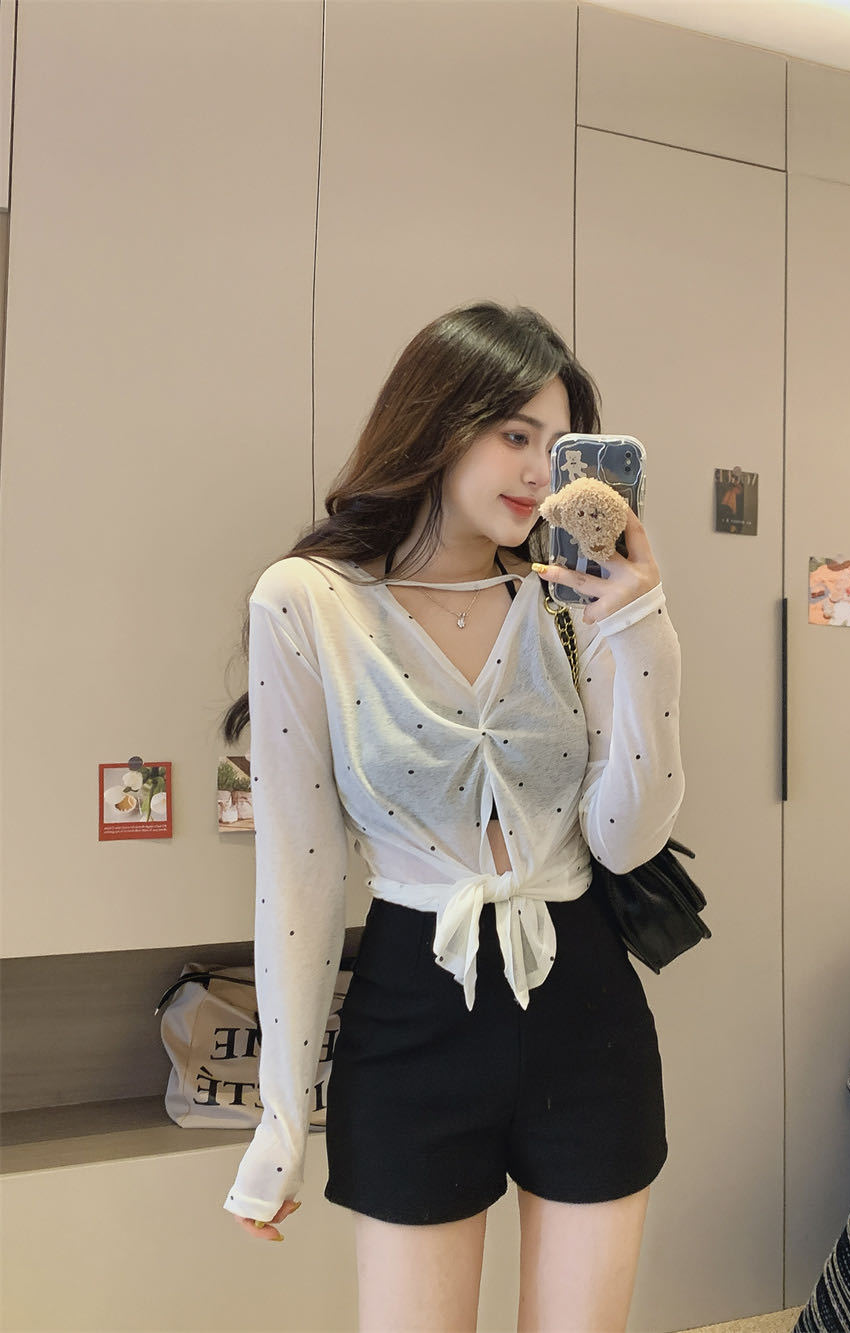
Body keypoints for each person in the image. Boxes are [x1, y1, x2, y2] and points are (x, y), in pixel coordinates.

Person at [219, 301, 685, 1332]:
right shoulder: (308, 601)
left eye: (557, 446)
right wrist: (283, 1113)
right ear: (436, 420)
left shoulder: (567, 598)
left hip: (584, 1002)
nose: (537, 471)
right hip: (413, 1002)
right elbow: (300, 875)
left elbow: (627, 839)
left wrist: (641, 630)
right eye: (514, 433)